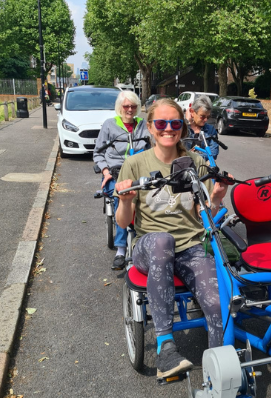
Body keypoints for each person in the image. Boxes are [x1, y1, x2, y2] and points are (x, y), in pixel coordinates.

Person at [114, 98, 227, 379]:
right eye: (161, 123)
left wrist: (214, 199)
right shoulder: (134, 163)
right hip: (149, 245)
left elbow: (204, 213)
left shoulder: (196, 162)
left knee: (216, 304)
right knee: (163, 240)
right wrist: (126, 201)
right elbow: (123, 222)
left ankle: (220, 373)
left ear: (182, 126)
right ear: (150, 127)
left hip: (190, 245)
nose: (168, 129)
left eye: (175, 123)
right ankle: (166, 347)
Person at [93, 91, 150, 270]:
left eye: (133, 106)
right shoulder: (110, 125)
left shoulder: (143, 125)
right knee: (121, 198)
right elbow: (98, 153)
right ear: (120, 107)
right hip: (115, 172)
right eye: (126, 106)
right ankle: (120, 248)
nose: (130, 109)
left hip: (138, 172)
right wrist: (105, 170)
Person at [182, 95, 220, 161]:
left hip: (203, 166)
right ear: (192, 112)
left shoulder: (210, 130)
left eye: (208, 117)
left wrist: (192, 157)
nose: (205, 120)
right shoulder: (182, 127)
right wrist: (187, 122)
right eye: (202, 116)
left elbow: (213, 153)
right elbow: (176, 149)